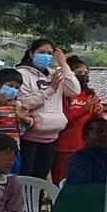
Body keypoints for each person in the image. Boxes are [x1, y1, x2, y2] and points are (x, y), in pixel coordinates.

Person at [12, 39, 78, 181]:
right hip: (28, 137)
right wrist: (50, 89)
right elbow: (23, 103)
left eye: (49, 53)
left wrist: (64, 64)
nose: (46, 56)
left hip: (51, 137)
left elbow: (74, 90)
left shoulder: (55, 74)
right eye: (41, 52)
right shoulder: (21, 74)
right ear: (31, 53)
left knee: (40, 180)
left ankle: (37, 203)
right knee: (25, 179)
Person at [51, 55, 104, 183]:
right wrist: (85, 108)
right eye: (79, 73)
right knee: (63, 181)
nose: (84, 75)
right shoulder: (63, 94)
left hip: (86, 146)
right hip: (65, 147)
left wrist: (97, 113)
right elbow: (64, 120)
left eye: (86, 73)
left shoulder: (90, 94)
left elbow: (98, 121)